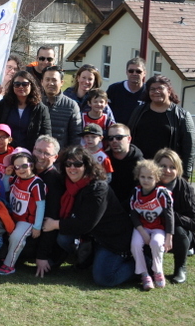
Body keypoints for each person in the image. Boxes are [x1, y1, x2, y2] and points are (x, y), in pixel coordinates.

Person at [42, 146, 134, 287]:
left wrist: (55, 224)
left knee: (104, 278)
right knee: (64, 238)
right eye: (68, 164)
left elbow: (85, 224)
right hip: (93, 237)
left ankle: (142, 264)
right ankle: (88, 258)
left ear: (87, 166)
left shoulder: (98, 188)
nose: (72, 168)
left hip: (112, 239)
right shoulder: (68, 183)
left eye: (77, 164)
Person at [128, 75, 195, 179]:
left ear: (169, 91)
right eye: (152, 89)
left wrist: (185, 175)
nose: (156, 91)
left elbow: (189, 147)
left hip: (167, 171)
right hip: (142, 169)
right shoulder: (139, 111)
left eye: (160, 88)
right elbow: (129, 136)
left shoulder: (182, 115)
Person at [154, 149, 195, 284]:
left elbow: (194, 222)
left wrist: (169, 215)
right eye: (163, 166)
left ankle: (180, 267)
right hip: (153, 229)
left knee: (178, 230)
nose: (167, 170)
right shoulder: (148, 182)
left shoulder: (185, 188)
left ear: (178, 169)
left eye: (172, 167)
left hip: (179, 233)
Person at [0, 151, 45, 276]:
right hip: (15, 216)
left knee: (16, 237)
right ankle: (3, 255)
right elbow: (6, 190)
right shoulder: (16, 178)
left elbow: (41, 205)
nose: (20, 169)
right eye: (17, 167)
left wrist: (37, 226)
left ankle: (9, 265)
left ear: (31, 165)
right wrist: (7, 176)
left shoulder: (36, 183)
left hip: (28, 220)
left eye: (24, 166)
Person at [129, 160, 173, 291]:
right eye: (142, 176)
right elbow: (133, 215)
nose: (146, 180)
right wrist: (142, 232)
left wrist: (169, 237)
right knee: (135, 244)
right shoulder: (136, 192)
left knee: (156, 243)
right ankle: (144, 274)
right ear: (138, 176)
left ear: (157, 178)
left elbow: (169, 216)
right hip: (142, 227)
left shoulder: (161, 193)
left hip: (158, 227)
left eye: (150, 177)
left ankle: (158, 271)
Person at [0, 70, 51, 150]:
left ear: (31, 85)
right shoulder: (5, 104)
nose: (20, 87)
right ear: (12, 86)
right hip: (6, 151)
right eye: (17, 84)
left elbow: (46, 135)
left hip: (29, 152)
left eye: (25, 84)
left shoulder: (40, 108)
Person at [30, 135, 64, 278]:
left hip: (44, 235)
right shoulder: (27, 170)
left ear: (55, 157)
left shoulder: (54, 180)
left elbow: (50, 220)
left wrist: (42, 256)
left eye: (46, 153)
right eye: (38, 151)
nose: (41, 156)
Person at [41, 65, 81, 148]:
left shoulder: (71, 106)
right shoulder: (35, 102)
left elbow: (76, 137)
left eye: (54, 80)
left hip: (61, 154)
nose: (50, 83)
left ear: (62, 82)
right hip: (37, 153)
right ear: (42, 82)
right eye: (47, 80)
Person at [106, 123, 144, 209]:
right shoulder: (104, 160)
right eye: (110, 138)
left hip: (132, 209)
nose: (114, 141)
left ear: (129, 139)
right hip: (108, 208)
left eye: (119, 137)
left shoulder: (140, 164)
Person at [107, 57, 147, 124]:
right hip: (117, 129)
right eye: (131, 71)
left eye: (138, 71)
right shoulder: (114, 89)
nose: (134, 74)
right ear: (126, 72)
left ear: (144, 73)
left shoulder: (149, 92)